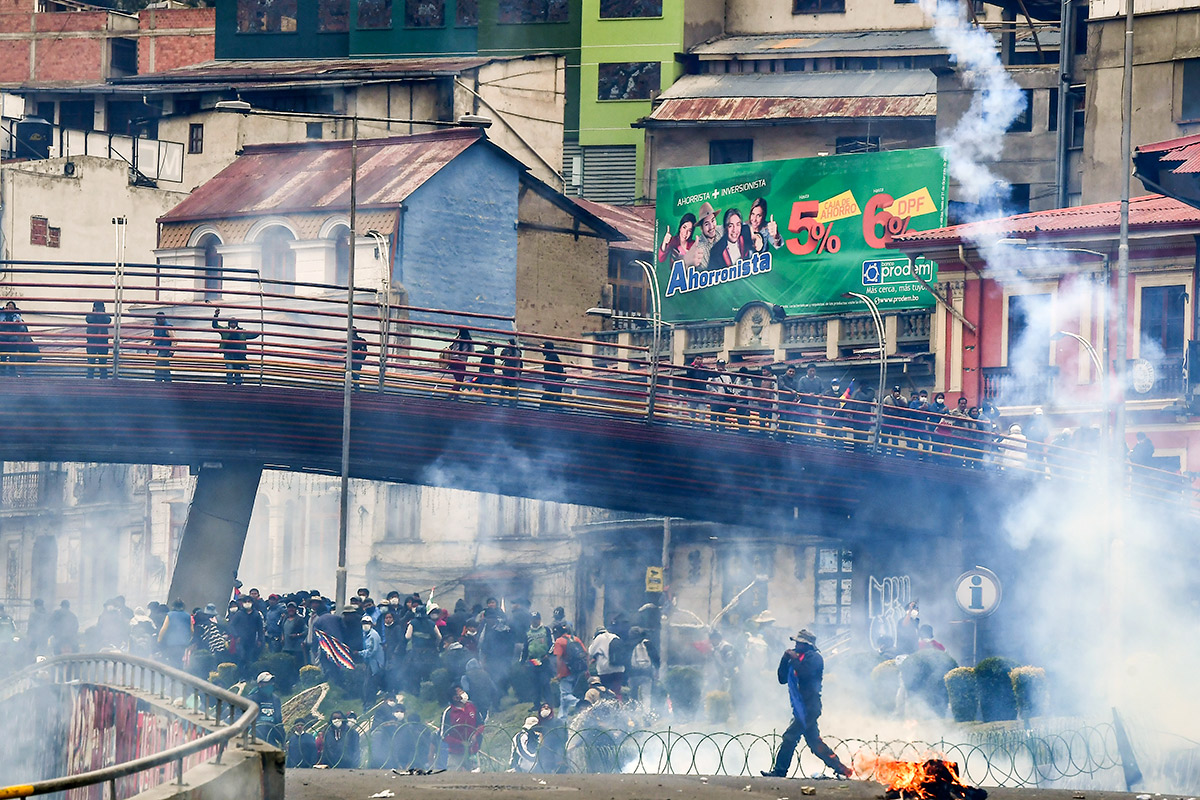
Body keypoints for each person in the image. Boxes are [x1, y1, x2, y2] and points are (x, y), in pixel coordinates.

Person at [761, 629, 852, 779]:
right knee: (815, 744)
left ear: (807, 645)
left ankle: (779, 771)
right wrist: (784, 659)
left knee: (790, 737)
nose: (797, 645)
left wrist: (794, 659)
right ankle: (842, 769)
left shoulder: (815, 658)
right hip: (799, 708)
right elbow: (782, 678)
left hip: (810, 708)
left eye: (800, 643)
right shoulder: (796, 658)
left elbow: (805, 673)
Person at [440, 683, 483, 771]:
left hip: (472, 751)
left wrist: (475, 735)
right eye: (460, 692)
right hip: (456, 753)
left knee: (475, 776)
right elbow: (444, 735)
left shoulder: (472, 706)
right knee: (453, 777)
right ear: (455, 698)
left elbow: (481, 724)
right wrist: (460, 742)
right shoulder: (448, 713)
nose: (464, 693)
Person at [212, 309, 260, 385]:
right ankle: (230, 386)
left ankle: (238, 387)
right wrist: (216, 315)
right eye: (231, 323)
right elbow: (215, 326)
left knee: (237, 371)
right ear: (229, 324)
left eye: (234, 323)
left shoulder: (242, 332)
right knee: (230, 370)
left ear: (236, 324)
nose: (233, 324)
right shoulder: (225, 330)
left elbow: (251, 335)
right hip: (228, 354)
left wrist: (259, 333)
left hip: (238, 355)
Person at [0, 301, 38, 376]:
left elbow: (22, 329)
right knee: (3, 358)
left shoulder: (16, 316)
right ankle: (3, 373)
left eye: (12, 307)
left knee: (12, 358)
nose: (10, 308)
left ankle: (11, 374)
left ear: (14, 308)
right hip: (3, 340)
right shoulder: (2, 314)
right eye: (8, 307)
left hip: (12, 341)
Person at [248, 671, 284, 746]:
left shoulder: (275, 699)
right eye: (267, 682)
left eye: (271, 682)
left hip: (271, 737)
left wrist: (282, 740)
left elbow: (278, 721)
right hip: (256, 737)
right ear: (260, 684)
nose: (270, 684)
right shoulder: (252, 699)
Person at [685, 202, 721, 270]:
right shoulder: (700, 248)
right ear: (701, 228)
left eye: (713, 221)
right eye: (706, 224)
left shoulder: (720, 231)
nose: (711, 227)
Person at [157, 599, 192, 668]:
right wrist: (189, 639)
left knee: (172, 663)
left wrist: (159, 639)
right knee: (181, 663)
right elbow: (192, 630)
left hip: (172, 644)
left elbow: (164, 628)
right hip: (184, 644)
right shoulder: (188, 616)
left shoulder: (170, 615)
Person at [85, 301, 112, 379]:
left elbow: (108, 320)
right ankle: (90, 379)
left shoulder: (105, 316)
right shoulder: (91, 316)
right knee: (91, 363)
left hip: (101, 342)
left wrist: (101, 314)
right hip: (93, 341)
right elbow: (88, 319)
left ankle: (102, 379)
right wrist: (96, 313)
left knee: (102, 364)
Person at [150, 312, 174, 382]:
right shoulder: (156, 326)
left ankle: (158, 380)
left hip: (166, 348)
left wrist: (172, 350)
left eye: (162, 318)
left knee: (159, 364)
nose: (160, 320)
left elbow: (173, 339)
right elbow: (154, 336)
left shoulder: (168, 327)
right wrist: (149, 345)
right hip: (160, 348)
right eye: (159, 319)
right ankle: (168, 381)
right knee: (165, 365)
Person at [500, 338, 523, 403]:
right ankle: (511, 404)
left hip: (508, 372)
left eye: (508, 343)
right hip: (512, 373)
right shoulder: (517, 351)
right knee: (511, 390)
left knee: (504, 390)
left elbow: (501, 358)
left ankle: (501, 403)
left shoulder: (508, 350)